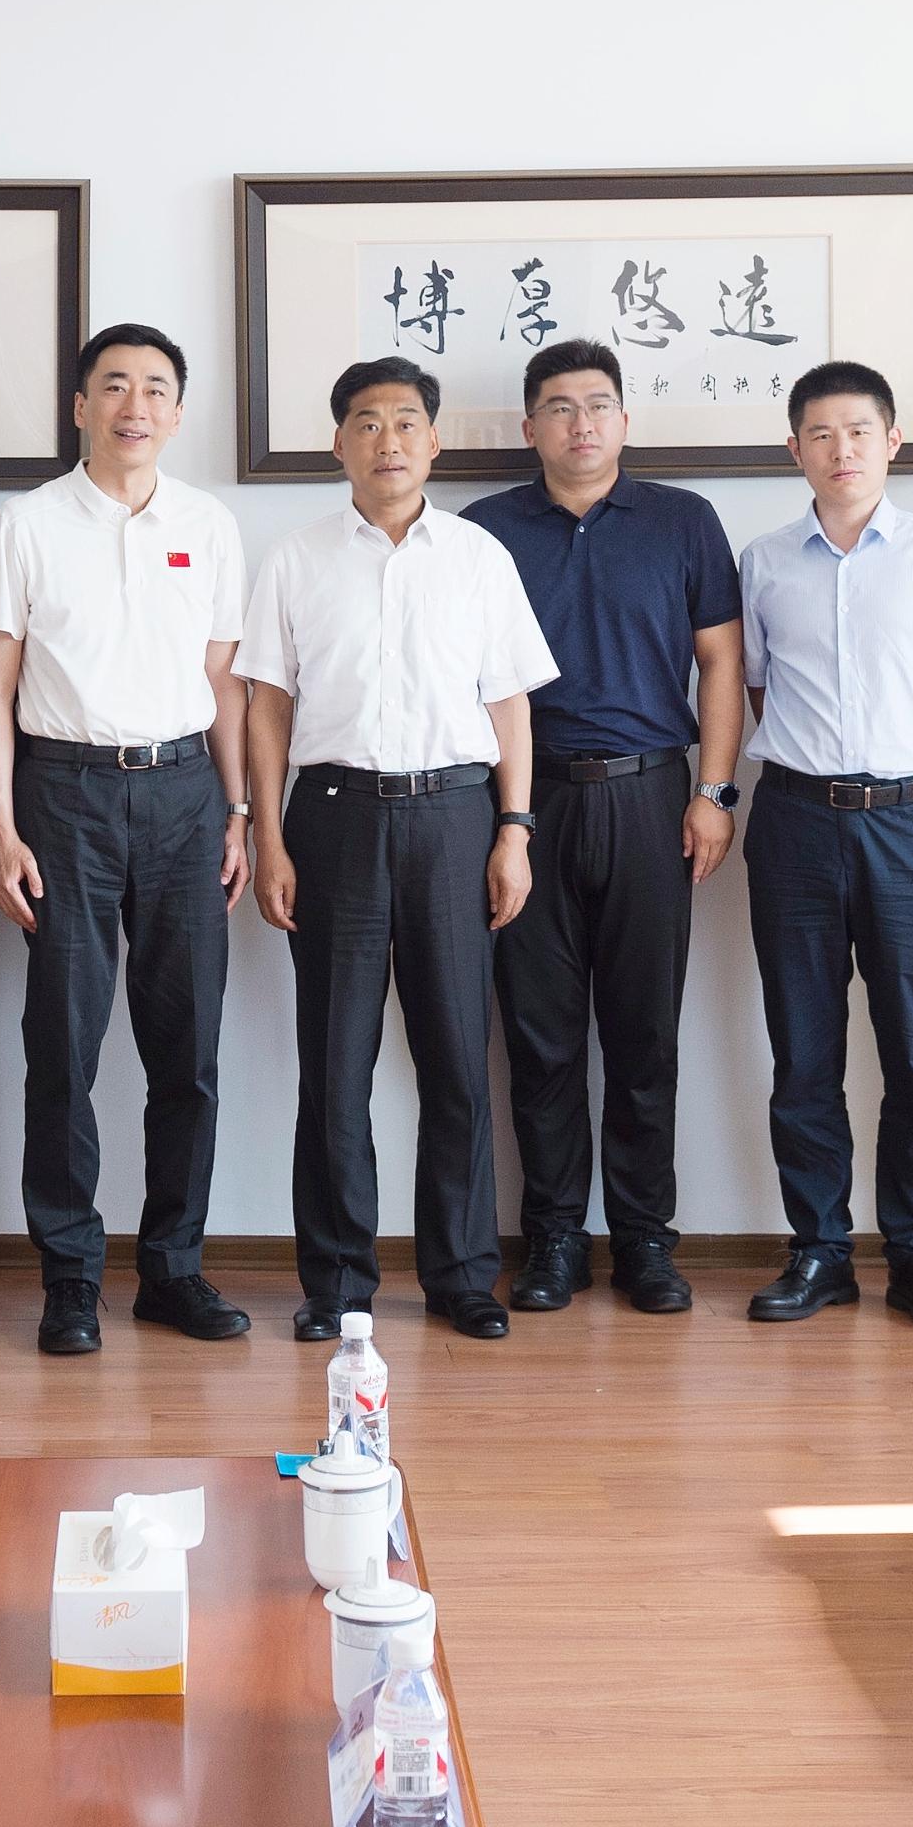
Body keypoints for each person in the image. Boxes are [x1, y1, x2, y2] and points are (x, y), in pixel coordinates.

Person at [240, 358, 554, 1342]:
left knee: (456, 1055)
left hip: (456, 818)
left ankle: (461, 1274)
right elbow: (267, 707)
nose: (388, 440)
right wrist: (269, 835)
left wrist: (513, 831)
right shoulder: (294, 558)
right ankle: (337, 1282)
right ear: (338, 442)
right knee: (336, 1064)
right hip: (332, 817)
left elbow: (509, 705)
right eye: (367, 423)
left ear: (434, 440)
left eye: (406, 421)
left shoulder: (477, 556)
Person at [0, 321, 255, 1359]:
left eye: (156, 387)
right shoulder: (28, 521)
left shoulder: (208, 523)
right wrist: (2, 827)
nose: (136, 405)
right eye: (115, 385)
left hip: (185, 797)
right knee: (63, 1046)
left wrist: (238, 811)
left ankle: (173, 1268)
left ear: (177, 411)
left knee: (189, 1050)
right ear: (81, 405)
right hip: (65, 796)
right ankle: (71, 1278)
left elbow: (224, 681)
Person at [463, 339, 745, 1319]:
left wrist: (715, 792)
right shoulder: (486, 530)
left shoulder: (682, 521)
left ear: (624, 419)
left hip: (651, 796)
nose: (580, 423)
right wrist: (504, 818)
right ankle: (552, 1237)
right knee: (538, 1037)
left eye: (597, 404)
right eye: (558, 406)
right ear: (529, 426)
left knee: (643, 1034)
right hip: (525, 802)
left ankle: (643, 1240)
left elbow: (721, 663)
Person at [734, 361, 913, 1338]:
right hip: (795, 821)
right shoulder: (764, 561)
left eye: (857, 430)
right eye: (820, 432)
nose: (840, 449)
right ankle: (819, 1251)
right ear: (794, 448)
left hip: (910, 820)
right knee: (803, 1050)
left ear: (891, 440)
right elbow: (757, 685)